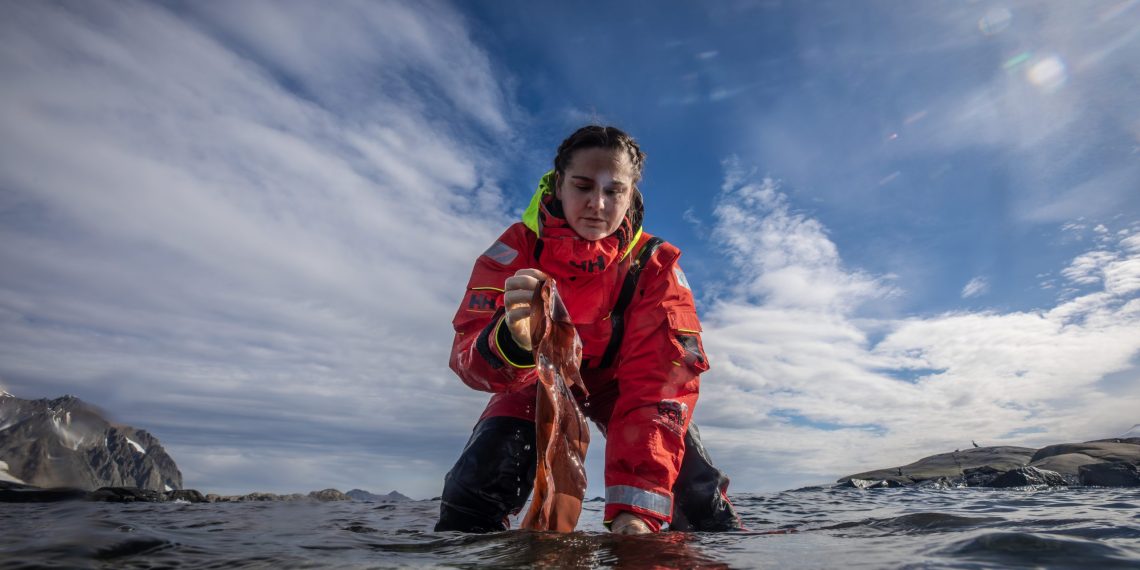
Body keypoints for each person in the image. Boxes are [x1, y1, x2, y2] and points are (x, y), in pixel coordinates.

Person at [436, 125, 741, 535]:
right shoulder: (515, 249)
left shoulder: (656, 265)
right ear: (559, 185)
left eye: (614, 191)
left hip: (623, 386)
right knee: (474, 488)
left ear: (630, 195)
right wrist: (512, 341)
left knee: (699, 500)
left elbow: (660, 384)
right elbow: (468, 359)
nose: (597, 204)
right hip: (539, 380)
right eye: (582, 186)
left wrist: (637, 514)